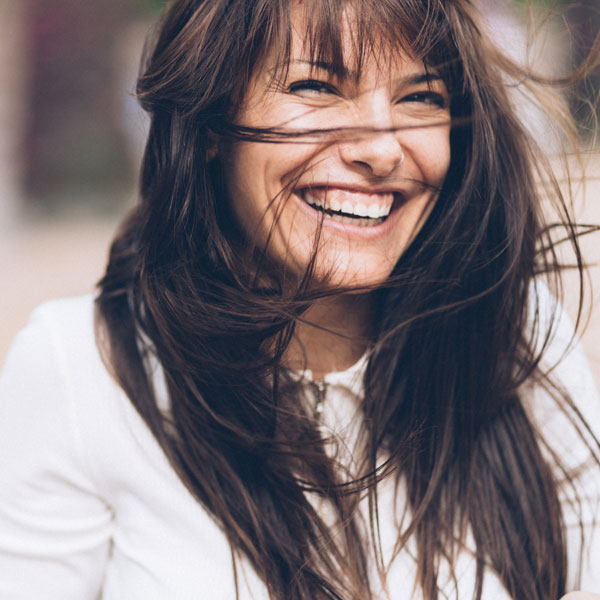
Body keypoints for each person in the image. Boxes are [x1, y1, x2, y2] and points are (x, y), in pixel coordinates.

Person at [0, 0, 599, 598]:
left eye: (421, 97)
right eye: (316, 86)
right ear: (210, 123)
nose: (382, 150)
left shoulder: (511, 328)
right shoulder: (83, 369)